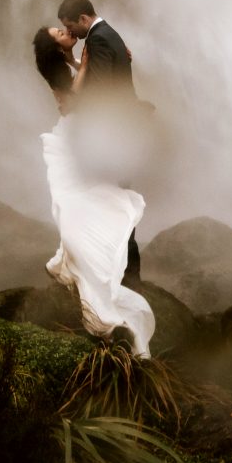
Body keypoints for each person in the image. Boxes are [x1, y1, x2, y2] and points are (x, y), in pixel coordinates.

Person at [32, 25, 155, 356]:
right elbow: (72, 101)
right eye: (59, 31)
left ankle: (82, 259)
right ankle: (94, 266)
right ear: (52, 44)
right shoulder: (53, 68)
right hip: (75, 130)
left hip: (82, 132)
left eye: (63, 26)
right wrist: (85, 67)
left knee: (84, 200)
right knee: (83, 201)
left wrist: (110, 58)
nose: (65, 31)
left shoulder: (63, 60)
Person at [56, 0, 144, 285]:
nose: (71, 33)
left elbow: (102, 87)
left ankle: (121, 273)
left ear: (83, 18)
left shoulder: (98, 39)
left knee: (109, 200)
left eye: (71, 26)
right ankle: (123, 271)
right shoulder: (107, 35)